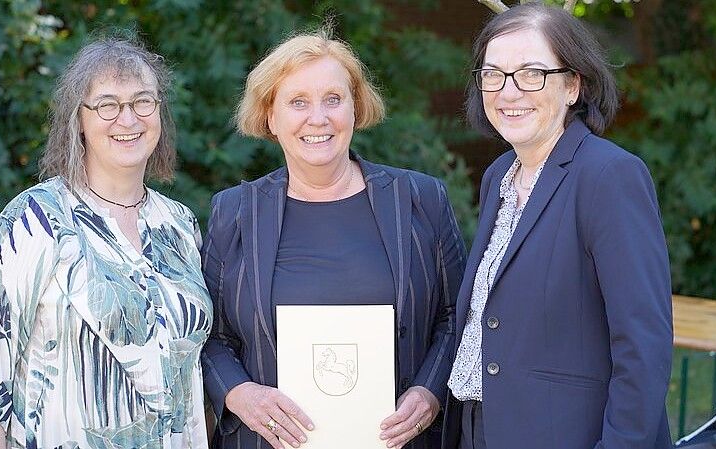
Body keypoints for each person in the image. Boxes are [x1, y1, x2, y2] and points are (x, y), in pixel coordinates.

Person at [201, 29, 467, 449]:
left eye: (333, 99)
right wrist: (239, 394)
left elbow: (457, 315)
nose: (318, 118)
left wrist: (430, 393)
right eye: (298, 102)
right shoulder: (233, 212)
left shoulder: (421, 199)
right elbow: (210, 333)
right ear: (271, 116)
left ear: (355, 108)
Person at [0, 36, 213, 449]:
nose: (128, 119)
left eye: (143, 101)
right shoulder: (35, 221)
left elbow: (193, 374)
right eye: (107, 105)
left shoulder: (179, 225)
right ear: (79, 121)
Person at [443, 4, 673, 449]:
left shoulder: (608, 177)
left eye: (531, 73)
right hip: (481, 428)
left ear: (572, 85)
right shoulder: (498, 177)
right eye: (493, 74)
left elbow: (643, 346)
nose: (509, 92)